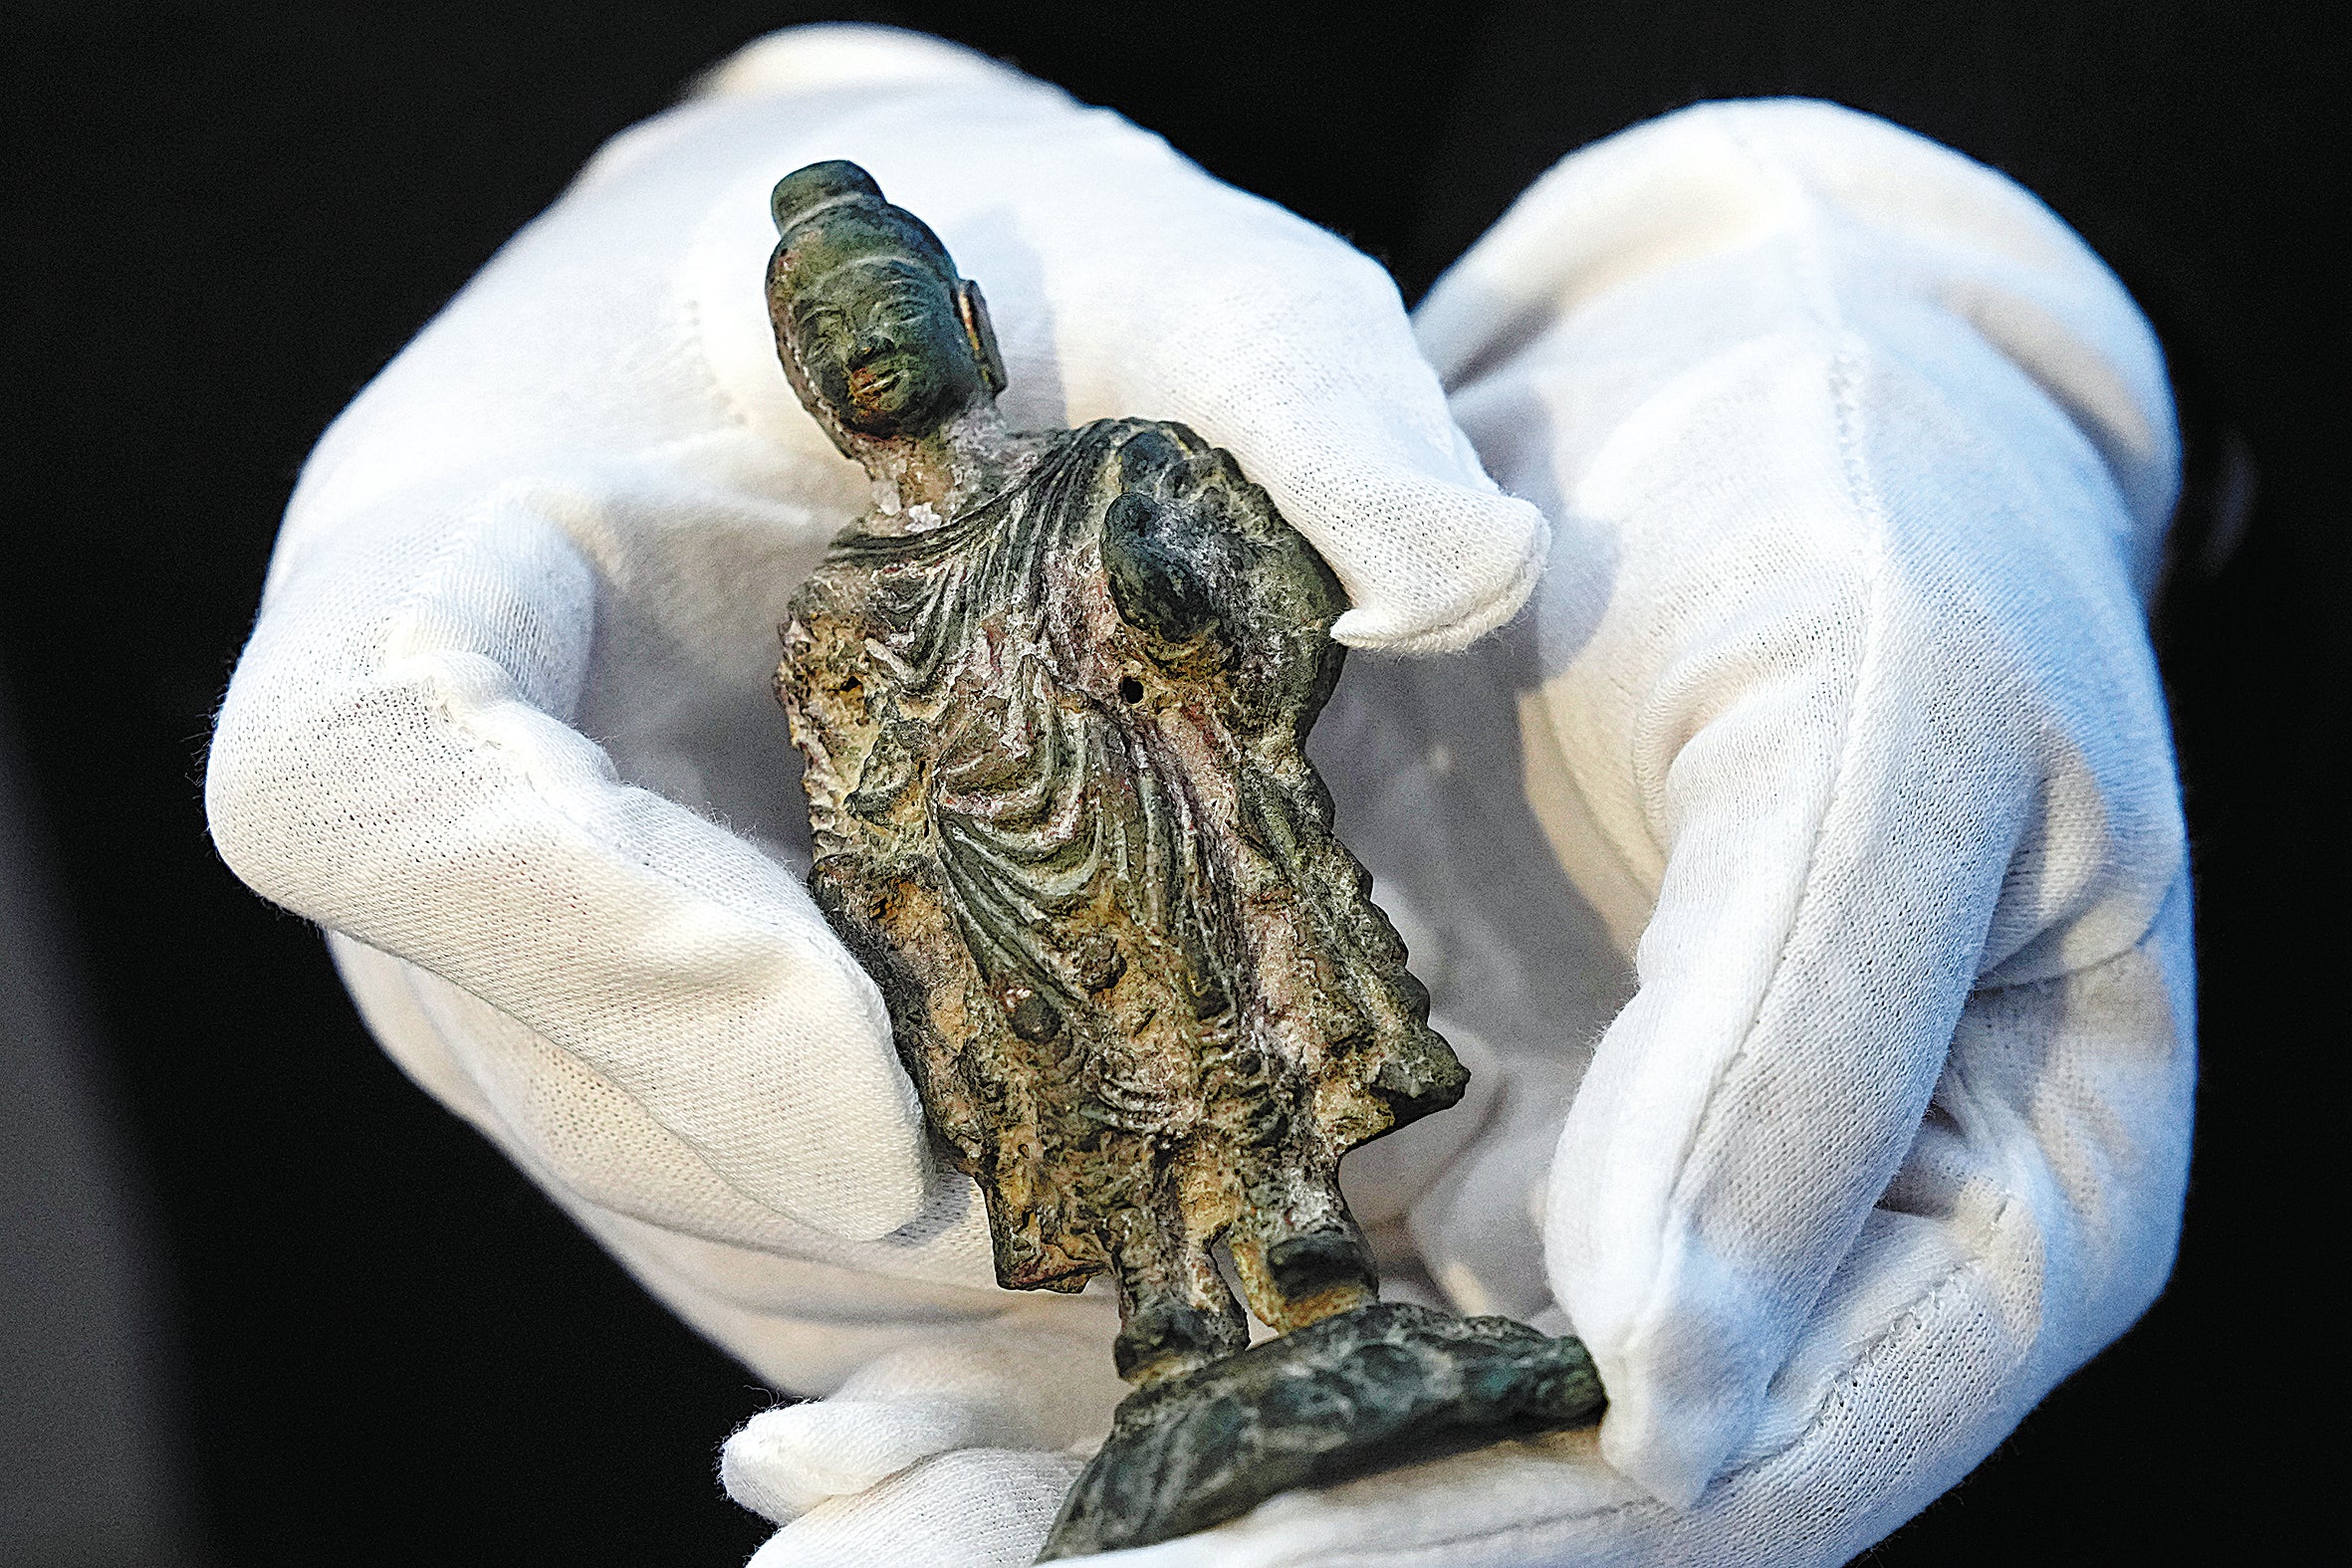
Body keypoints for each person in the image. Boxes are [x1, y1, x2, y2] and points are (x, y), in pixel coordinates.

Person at [203, 24, 2195, 1567]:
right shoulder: (836, 609)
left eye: (896, 297)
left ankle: (1317, 1296)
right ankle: (1178, 1346)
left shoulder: (1094, 479)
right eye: (828, 329)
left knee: (1247, 1085)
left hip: (1180, 838)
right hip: (940, 968)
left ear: (971, 322)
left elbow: (1268, 619)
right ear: (801, 384)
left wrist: (1922, 227)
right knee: (1101, 1149)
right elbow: (859, 790)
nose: (871, 334)